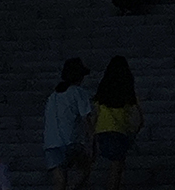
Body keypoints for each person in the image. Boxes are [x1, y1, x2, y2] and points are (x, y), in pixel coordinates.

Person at [93, 56, 144, 190]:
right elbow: (138, 116)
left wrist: (92, 133)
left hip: (102, 129)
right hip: (119, 130)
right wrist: (134, 131)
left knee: (116, 165)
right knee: (117, 167)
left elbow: (96, 112)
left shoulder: (103, 90)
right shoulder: (127, 90)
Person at [43, 58, 93, 190]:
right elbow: (86, 119)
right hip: (71, 141)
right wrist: (92, 139)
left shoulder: (53, 96)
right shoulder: (78, 92)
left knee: (59, 181)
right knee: (85, 168)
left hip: (51, 143)